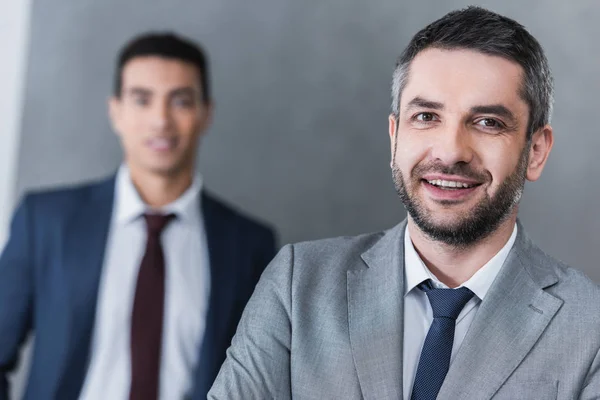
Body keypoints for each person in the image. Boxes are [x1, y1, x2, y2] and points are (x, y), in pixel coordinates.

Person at [208, 7, 600, 399]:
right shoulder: (297, 287)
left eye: (487, 123)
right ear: (395, 137)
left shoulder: (590, 328)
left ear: (535, 151)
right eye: (427, 116)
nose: (450, 152)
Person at [0, 32, 276, 400]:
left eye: (180, 101)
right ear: (116, 110)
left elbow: (258, 382)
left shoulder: (248, 245)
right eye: (142, 100)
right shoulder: (46, 221)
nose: (160, 120)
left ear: (206, 113)